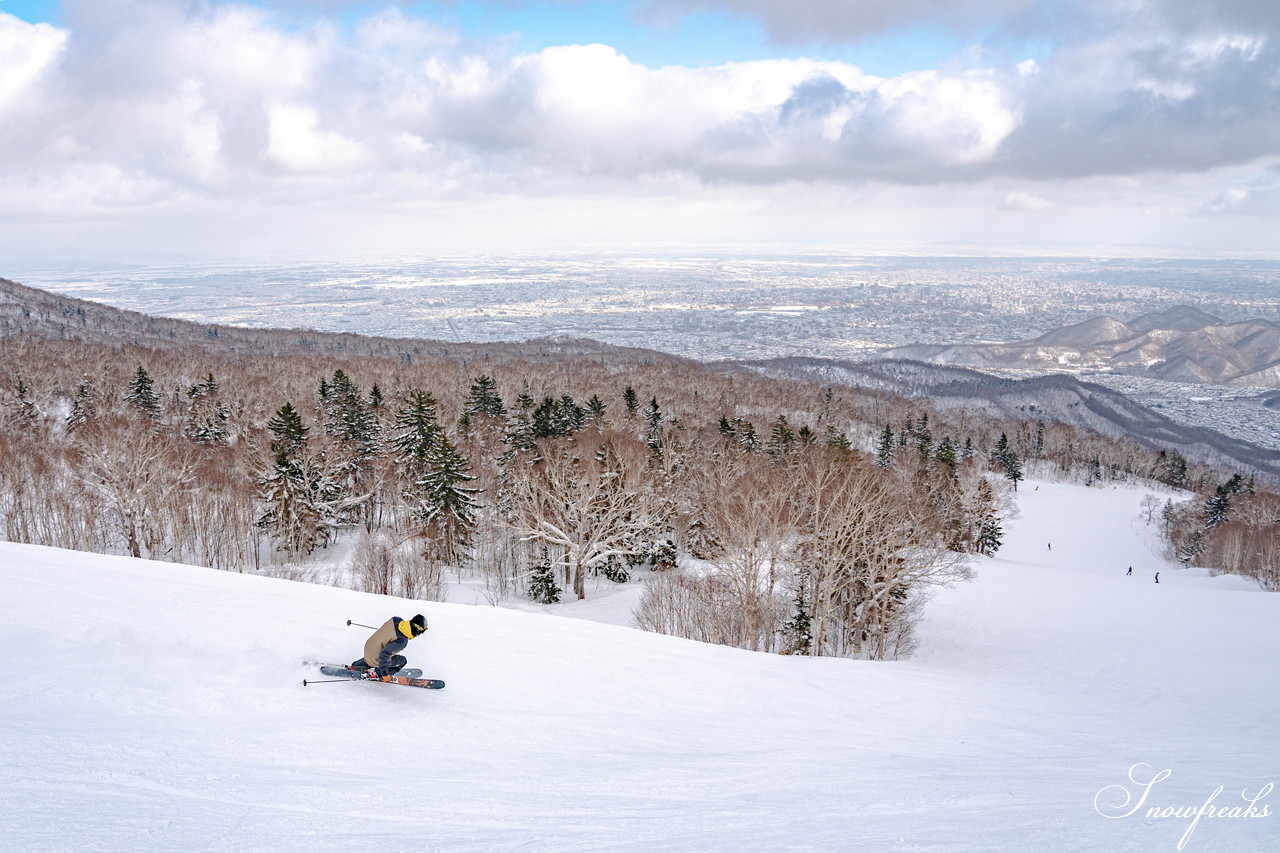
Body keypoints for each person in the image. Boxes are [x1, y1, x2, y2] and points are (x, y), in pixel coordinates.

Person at [351, 614, 427, 677]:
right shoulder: (402, 641)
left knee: (375, 652)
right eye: (421, 632)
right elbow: (383, 655)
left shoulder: (396, 620)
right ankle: (378, 673)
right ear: (417, 630)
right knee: (403, 660)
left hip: (368, 648)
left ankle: (356, 666)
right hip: (376, 659)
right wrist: (384, 674)